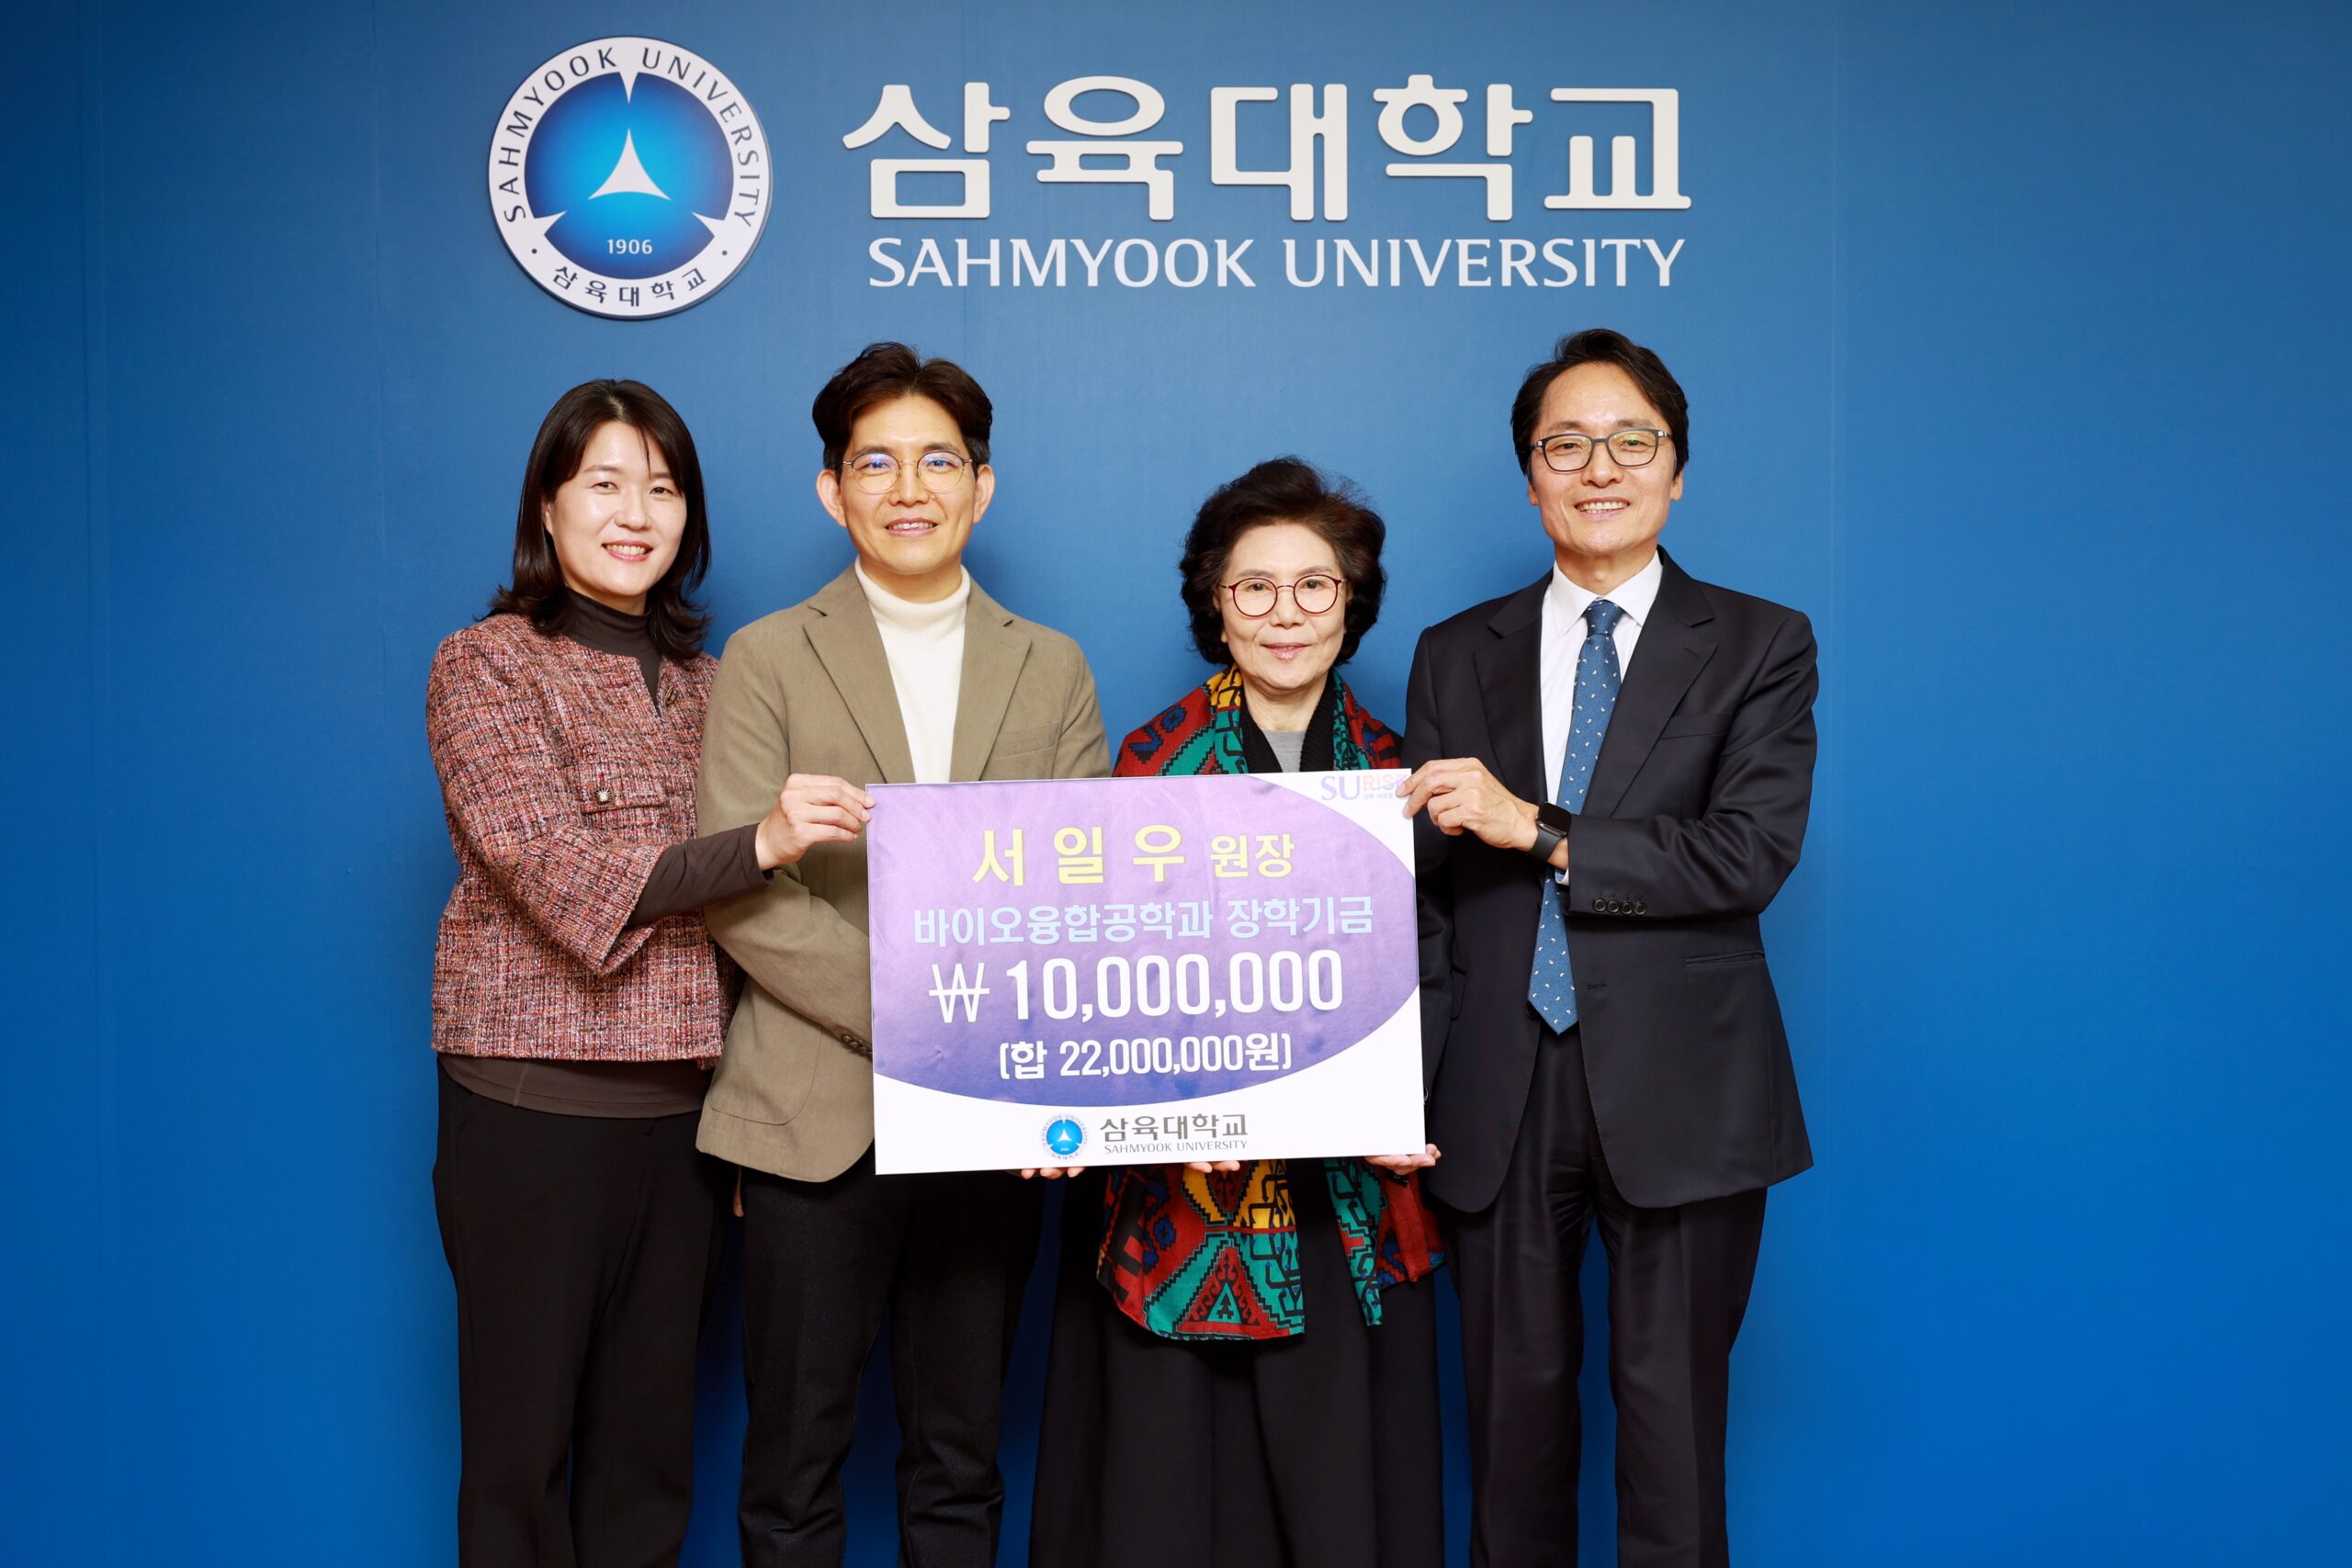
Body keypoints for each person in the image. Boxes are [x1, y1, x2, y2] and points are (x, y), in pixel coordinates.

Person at [1400, 329, 1818, 1567]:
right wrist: (1392, 1085)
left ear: (1676, 471)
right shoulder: (1452, 650)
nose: (1600, 468)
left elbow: (1745, 854)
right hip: (1497, 1086)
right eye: (1565, 444)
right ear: (1529, 476)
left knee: (1674, 1441)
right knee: (1510, 1442)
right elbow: (1422, 898)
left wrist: (1537, 828)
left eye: (1632, 442)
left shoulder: (1759, 642)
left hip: (1685, 1088)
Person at [692, 343, 1111, 1568]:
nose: (909, 487)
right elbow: (739, 888)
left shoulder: (1052, 663)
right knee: (793, 1462)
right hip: (813, 1118)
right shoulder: (768, 654)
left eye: (939, 461)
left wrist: (1005, 1057)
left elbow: (1078, 885)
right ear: (834, 490)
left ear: (983, 485)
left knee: (960, 1458)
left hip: (990, 1123)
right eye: (876, 463)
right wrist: (931, 1021)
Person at [425, 379, 850, 1566]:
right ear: (547, 505)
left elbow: (768, 928)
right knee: (518, 1461)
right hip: (530, 1110)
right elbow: (545, 861)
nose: (636, 514)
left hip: (688, 1124)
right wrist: (758, 843)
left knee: (648, 1464)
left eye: (663, 489)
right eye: (605, 484)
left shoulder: (721, 684)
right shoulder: (486, 665)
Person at [1030, 457, 1445, 1568]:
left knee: (1339, 1503)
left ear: (1352, 602)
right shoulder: (1146, 767)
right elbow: (1095, 975)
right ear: (1215, 606)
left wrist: (1403, 1104)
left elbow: (1440, 965)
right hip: (1182, 1198)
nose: (1285, 613)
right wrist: (1106, 1106)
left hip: (1348, 1191)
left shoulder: (1402, 775)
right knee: (1175, 1506)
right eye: (1253, 587)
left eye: (1314, 585)